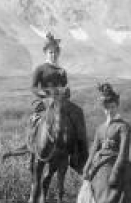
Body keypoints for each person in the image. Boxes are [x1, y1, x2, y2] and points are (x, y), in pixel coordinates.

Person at [78, 83, 131, 203]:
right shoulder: (100, 128)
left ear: (117, 106)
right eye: (107, 107)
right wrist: (87, 167)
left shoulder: (124, 126)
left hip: (116, 170)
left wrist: (116, 172)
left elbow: (123, 152)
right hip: (99, 171)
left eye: (112, 107)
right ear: (103, 108)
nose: (109, 110)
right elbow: (93, 150)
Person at [29, 32, 88, 172]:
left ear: (58, 54)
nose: (53, 55)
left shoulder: (62, 71)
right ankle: (31, 146)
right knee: (34, 120)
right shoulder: (40, 69)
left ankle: (79, 154)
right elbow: (33, 87)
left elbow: (66, 88)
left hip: (60, 101)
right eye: (51, 52)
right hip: (45, 101)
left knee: (78, 112)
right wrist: (46, 95)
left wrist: (66, 93)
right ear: (46, 53)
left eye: (55, 53)